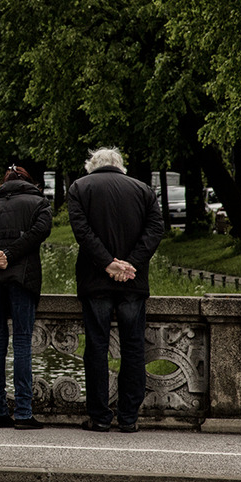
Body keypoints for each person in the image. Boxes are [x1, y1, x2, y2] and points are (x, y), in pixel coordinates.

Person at [67, 147, 164, 434]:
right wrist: (130, 264)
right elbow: (155, 229)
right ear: (119, 165)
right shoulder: (143, 189)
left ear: (92, 166)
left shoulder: (79, 188)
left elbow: (81, 230)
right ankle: (128, 417)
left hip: (95, 279)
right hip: (133, 282)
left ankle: (99, 416)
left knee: (96, 347)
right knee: (133, 348)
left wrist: (108, 263)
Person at [0, 165, 52, 430]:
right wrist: (10, 255)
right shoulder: (39, 203)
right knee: (23, 342)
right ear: (27, 181)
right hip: (22, 280)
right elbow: (40, 232)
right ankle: (24, 413)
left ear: (3, 184)